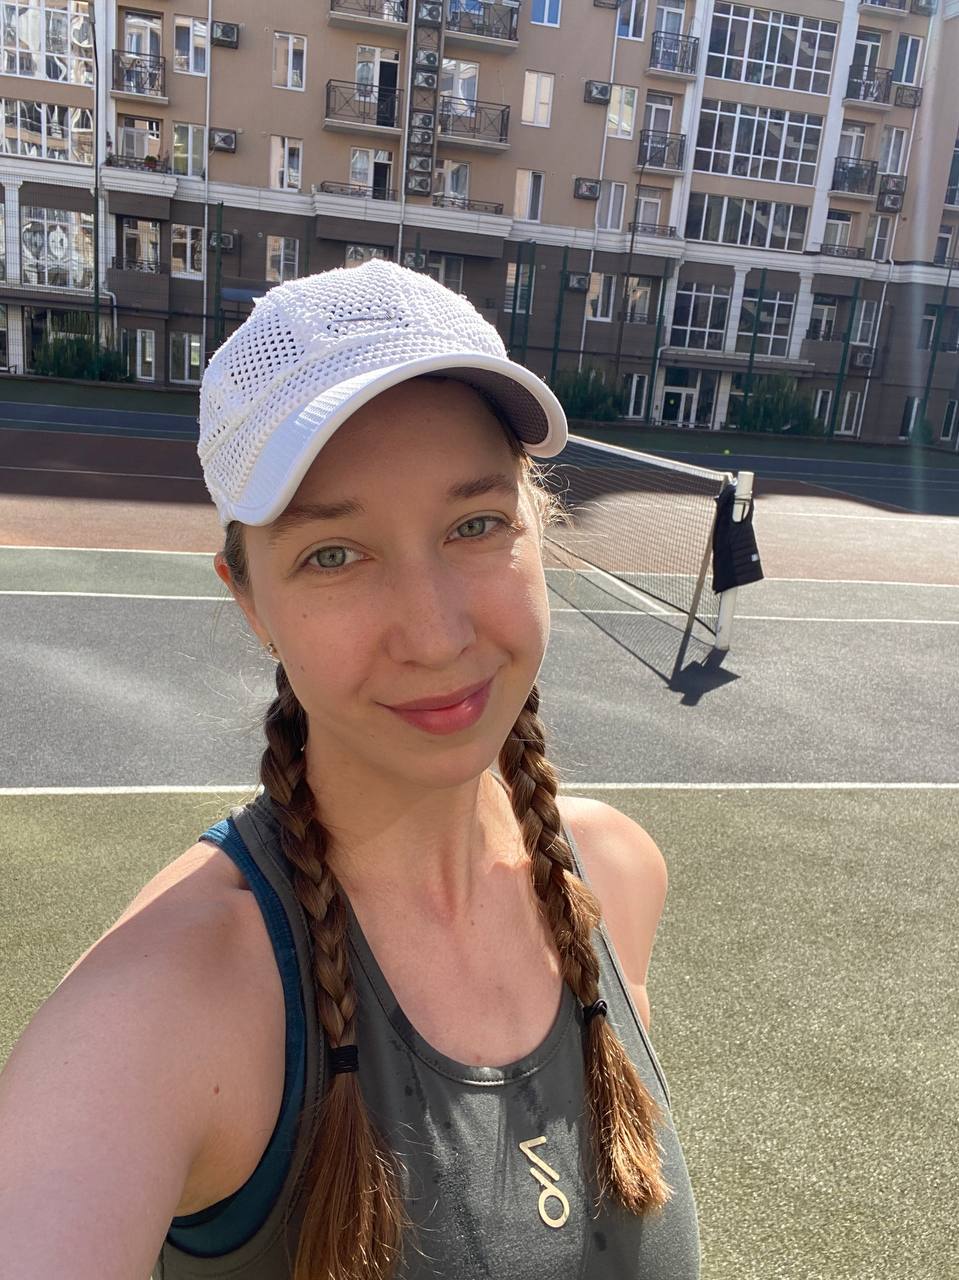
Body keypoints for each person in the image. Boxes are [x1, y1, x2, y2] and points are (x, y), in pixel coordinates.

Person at [0, 260, 700, 1279]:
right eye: (333, 553)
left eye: (475, 524)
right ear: (249, 601)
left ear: (538, 525)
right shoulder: (152, 1014)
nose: (435, 633)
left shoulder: (616, 875)